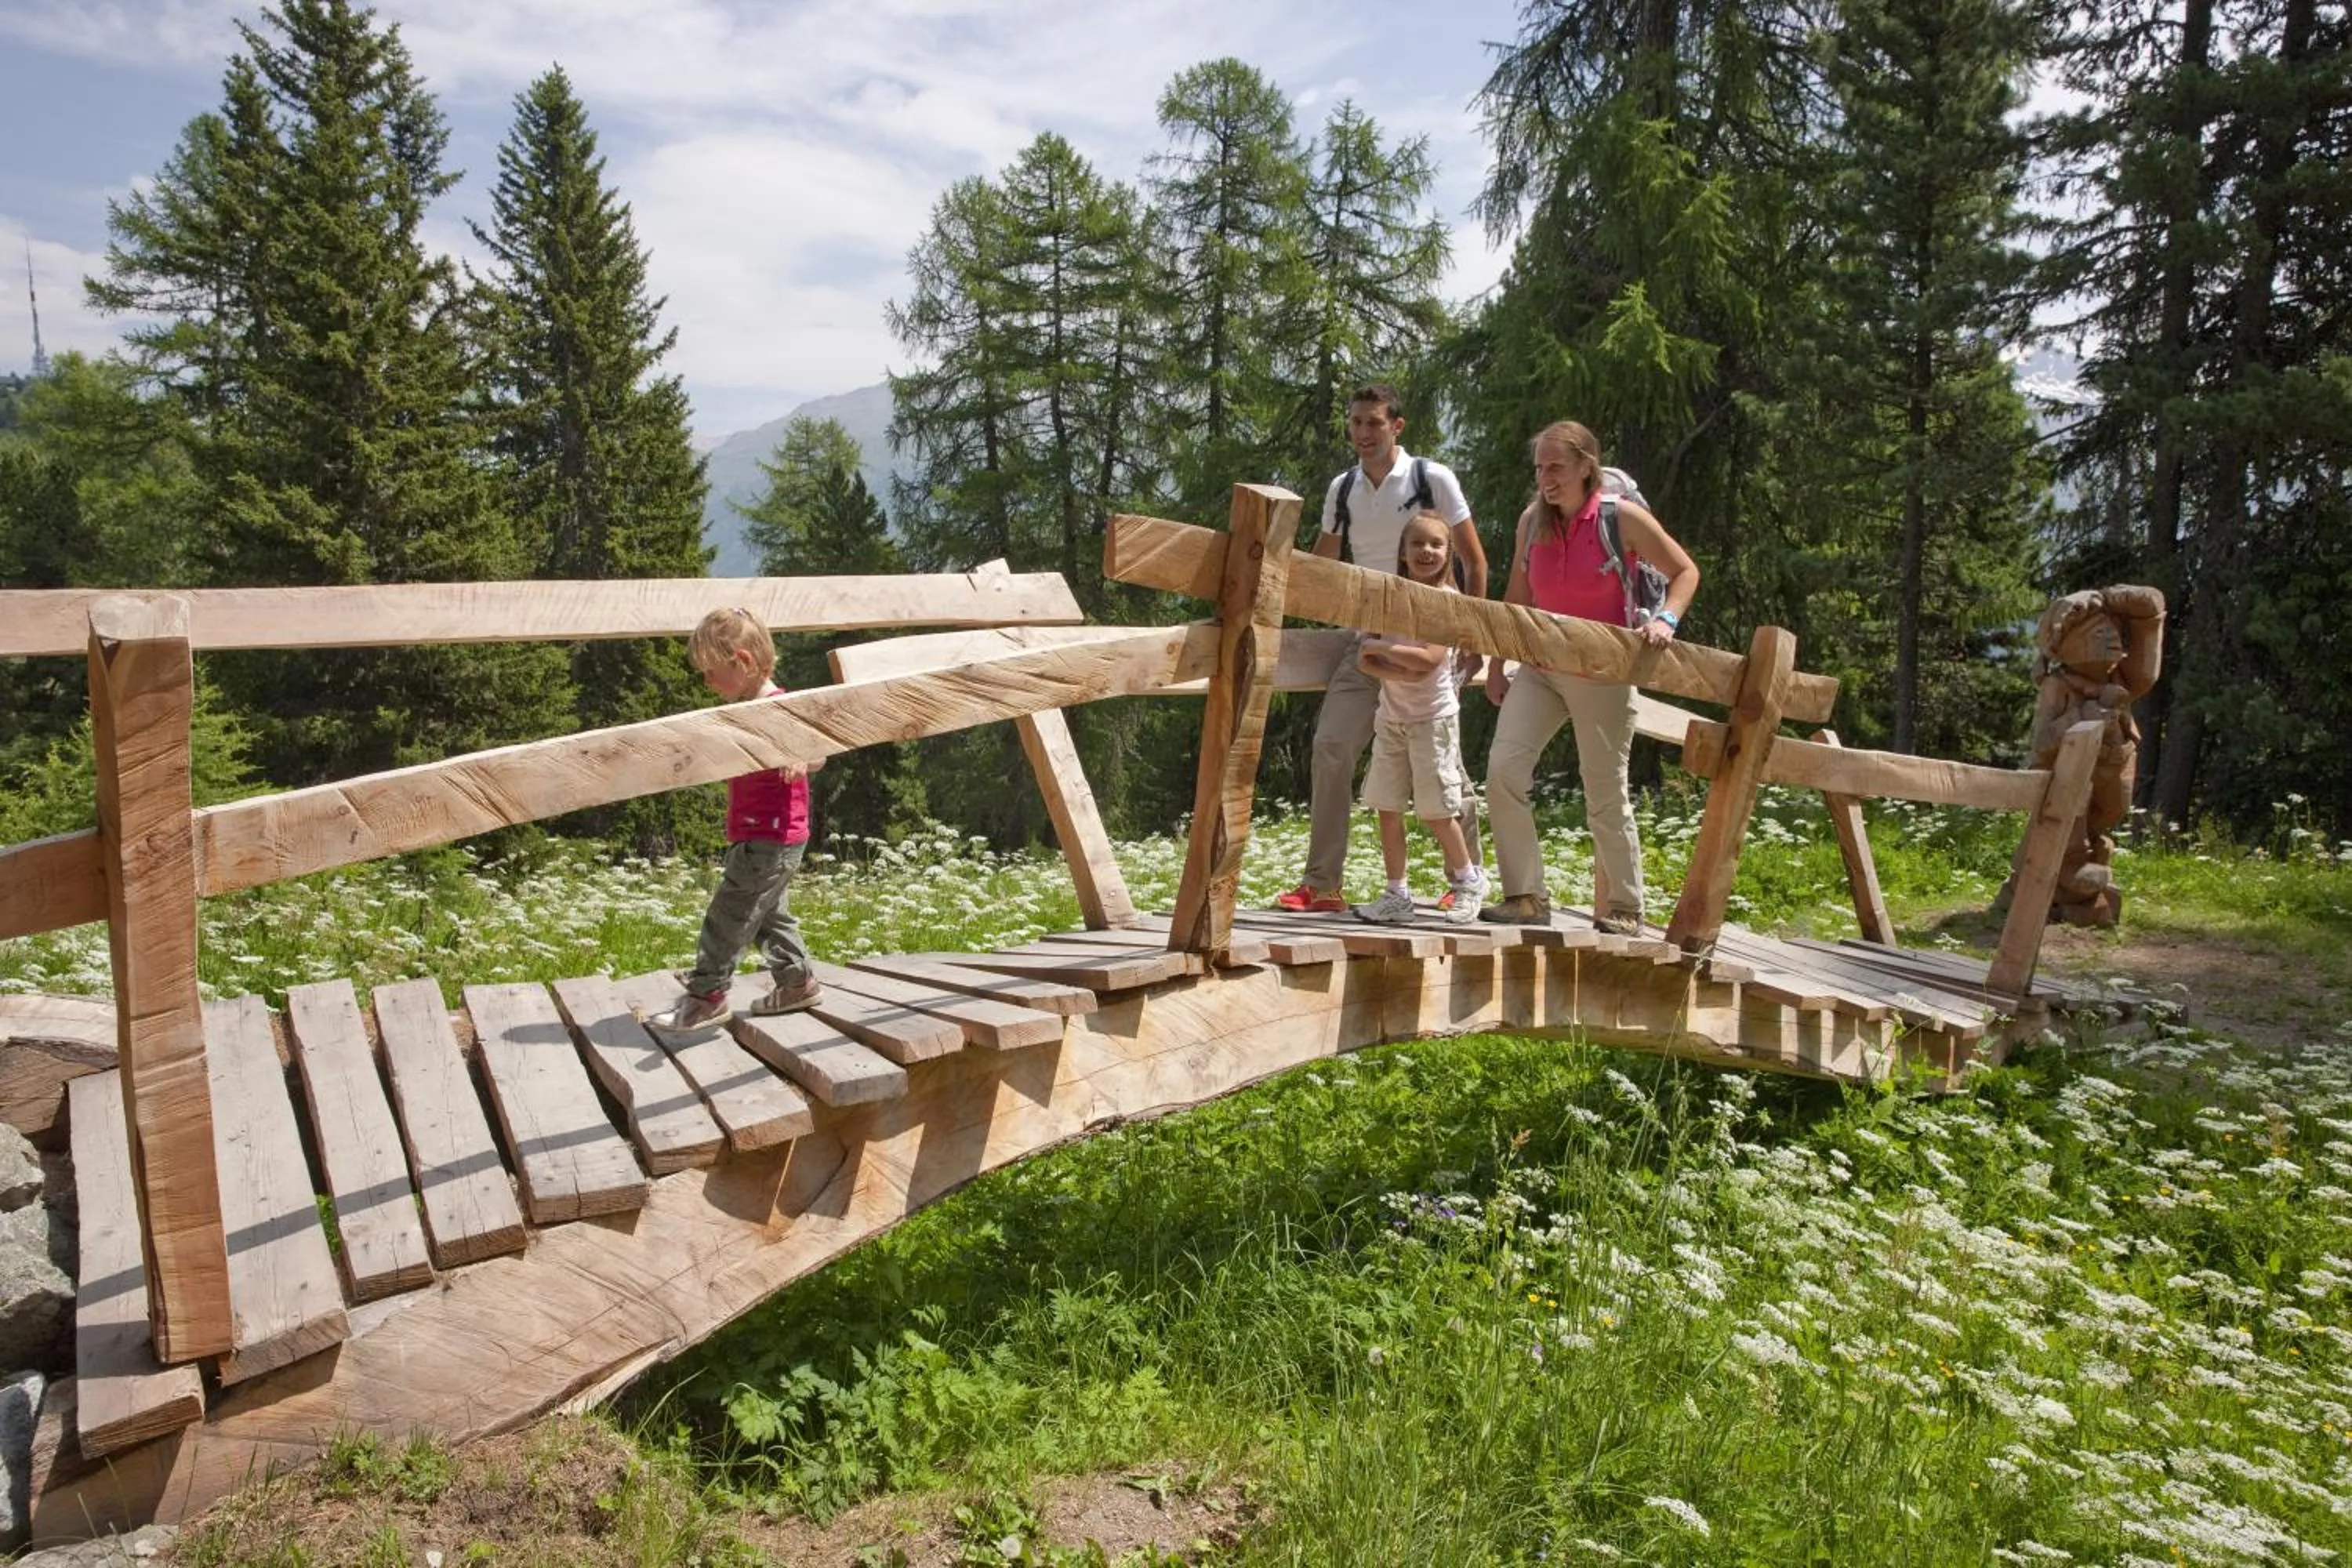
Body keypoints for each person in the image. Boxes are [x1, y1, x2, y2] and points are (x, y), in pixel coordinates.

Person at [1274, 383, 1489, 913]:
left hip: (1429, 637)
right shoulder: (1342, 488)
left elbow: (1474, 561)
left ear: (1398, 425)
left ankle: (1467, 881)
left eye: (1374, 423)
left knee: (1442, 764)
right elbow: (1323, 565)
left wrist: (1473, 637)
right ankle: (1322, 885)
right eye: (1356, 424)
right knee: (1331, 747)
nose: (1363, 434)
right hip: (1366, 638)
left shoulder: (1431, 478)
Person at [1478, 421, 1697, 934]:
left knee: (1604, 790)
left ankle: (1625, 908)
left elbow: (1686, 572)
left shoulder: (1621, 519)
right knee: (1503, 772)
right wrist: (1496, 663)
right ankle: (1526, 897)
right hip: (1539, 669)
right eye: (1539, 468)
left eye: (1555, 466)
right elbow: (1517, 594)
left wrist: (1666, 619)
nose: (1545, 477)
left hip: (1604, 672)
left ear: (1585, 466)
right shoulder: (1532, 521)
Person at [646, 608, 828, 1033]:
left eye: (712, 673)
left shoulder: (777, 707)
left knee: (728, 917)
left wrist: (801, 756)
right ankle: (797, 983)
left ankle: (707, 997)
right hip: (767, 837)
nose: (707, 683)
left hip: (771, 837)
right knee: (767, 916)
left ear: (743, 662)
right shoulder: (746, 710)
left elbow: (819, 749)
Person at [1351, 512, 1487, 926]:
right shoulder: (1391, 596)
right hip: (1392, 717)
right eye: (1418, 544)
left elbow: (1428, 660)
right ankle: (1397, 893)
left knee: (1436, 809)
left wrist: (1383, 651)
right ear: (1403, 552)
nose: (1426, 552)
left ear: (1448, 554)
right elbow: (1364, 661)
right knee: (1386, 806)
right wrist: (1396, 664)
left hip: (1432, 720)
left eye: (1436, 545)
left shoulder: (1444, 599)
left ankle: (1468, 881)